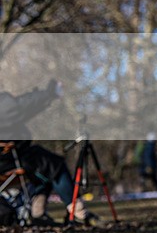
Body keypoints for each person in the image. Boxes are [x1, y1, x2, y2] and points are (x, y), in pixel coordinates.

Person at [0, 80, 92, 225]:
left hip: (12, 156)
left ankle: (38, 212)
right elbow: (19, 107)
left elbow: (21, 109)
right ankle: (78, 211)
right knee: (54, 166)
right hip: (10, 159)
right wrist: (49, 93)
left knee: (43, 168)